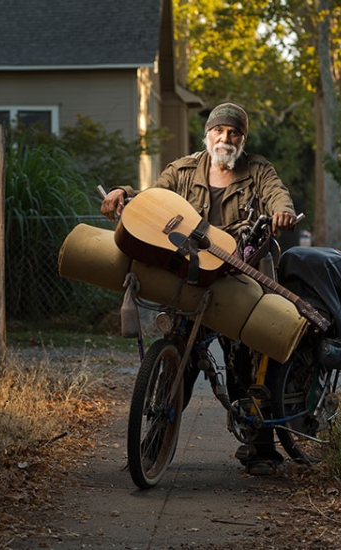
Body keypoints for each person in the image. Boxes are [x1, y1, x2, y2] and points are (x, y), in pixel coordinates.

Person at [101, 102, 297, 476]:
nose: (226, 138)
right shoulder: (183, 169)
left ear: (243, 139)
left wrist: (281, 212)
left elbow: (277, 194)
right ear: (207, 135)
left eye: (234, 132)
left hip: (236, 276)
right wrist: (122, 191)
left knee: (245, 359)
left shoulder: (258, 169)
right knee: (179, 358)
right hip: (189, 275)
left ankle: (260, 449)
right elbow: (154, 197)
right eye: (219, 131)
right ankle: (152, 446)